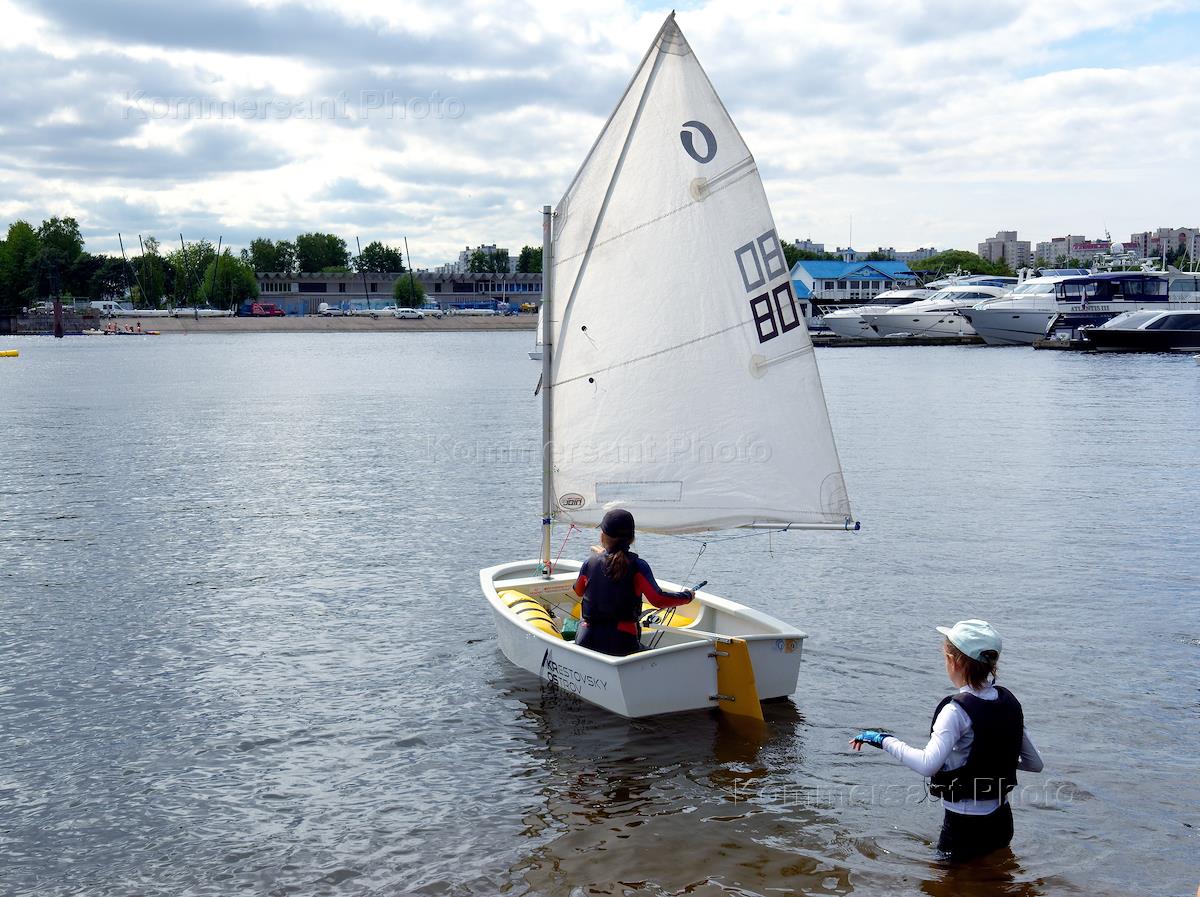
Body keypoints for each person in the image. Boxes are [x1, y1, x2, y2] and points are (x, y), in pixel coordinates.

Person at [849, 619, 1044, 862]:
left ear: (954, 661)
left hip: (964, 826)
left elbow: (927, 765)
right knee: (995, 877)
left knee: (944, 886)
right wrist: (992, 758)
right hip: (1001, 821)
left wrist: (882, 739)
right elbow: (1035, 763)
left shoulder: (955, 711)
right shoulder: (1009, 702)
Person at [571, 508, 694, 657]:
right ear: (632, 538)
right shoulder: (638, 566)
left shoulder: (589, 563)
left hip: (586, 641)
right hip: (621, 644)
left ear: (602, 536)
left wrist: (600, 557)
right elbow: (658, 600)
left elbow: (578, 591)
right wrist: (687, 596)